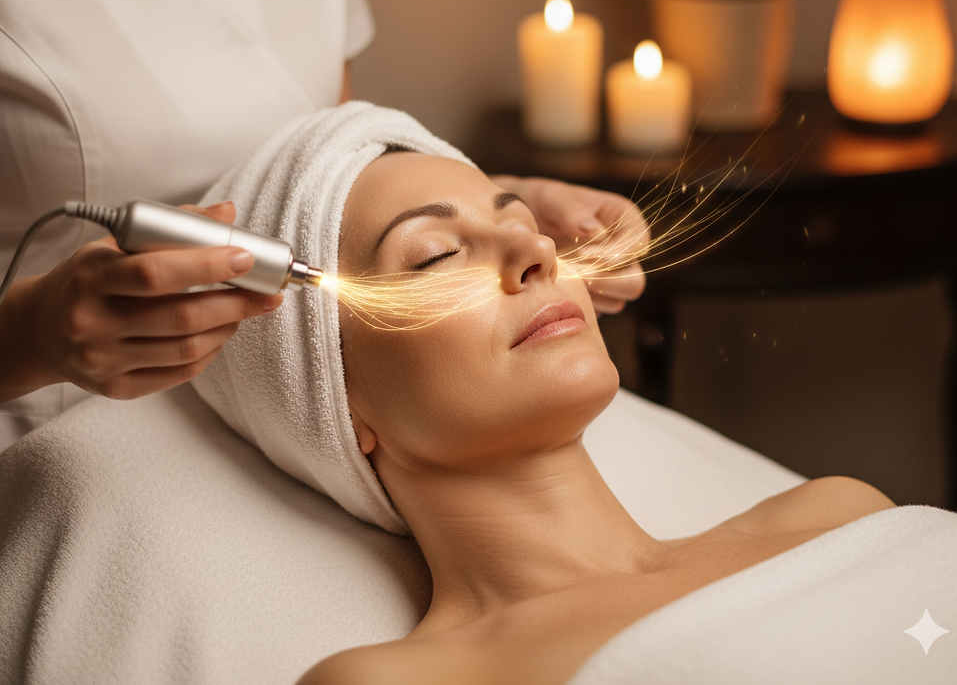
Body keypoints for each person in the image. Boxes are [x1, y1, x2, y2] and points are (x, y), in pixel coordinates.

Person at [0, 0, 645, 449]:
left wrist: (497, 210)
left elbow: (326, 167)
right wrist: (24, 339)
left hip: (280, 438)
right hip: (53, 448)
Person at [183, 103, 896, 685]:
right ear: (340, 408)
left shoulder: (838, 514)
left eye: (519, 223)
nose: (539, 254)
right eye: (436, 254)